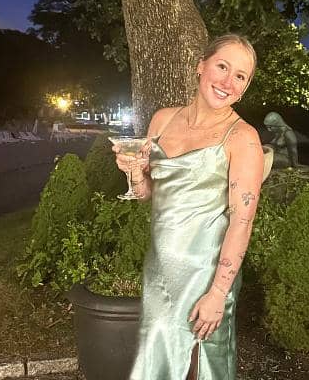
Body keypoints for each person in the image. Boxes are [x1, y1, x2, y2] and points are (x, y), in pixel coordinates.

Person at [113, 34, 264, 380]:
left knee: (197, 366)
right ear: (201, 66)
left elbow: (242, 222)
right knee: (157, 359)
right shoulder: (162, 120)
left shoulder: (243, 138)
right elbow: (148, 193)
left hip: (206, 276)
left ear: (244, 88)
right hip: (161, 269)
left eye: (240, 76)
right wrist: (134, 172)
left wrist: (218, 293)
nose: (228, 81)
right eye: (222, 66)